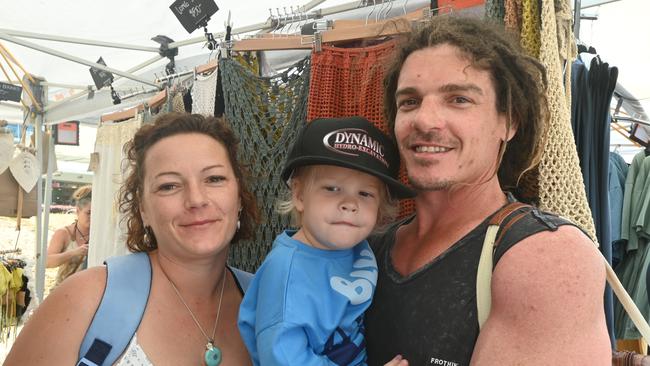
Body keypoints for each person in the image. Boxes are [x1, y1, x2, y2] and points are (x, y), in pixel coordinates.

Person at [364, 16, 612, 365]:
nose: (425, 119)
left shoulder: (545, 257)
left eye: (459, 99)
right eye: (410, 101)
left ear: (509, 121)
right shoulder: (365, 248)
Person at [6, 112, 259, 365]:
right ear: (143, 209)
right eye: (169, 185)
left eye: (215, 179)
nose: (196, 199)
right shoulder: (86, 300)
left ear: (238, 197)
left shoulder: (269, 300)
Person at [238, 116, 415, 365]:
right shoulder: (286, 273)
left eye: (365, 194)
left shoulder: (356, 247)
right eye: (332, 188)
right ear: (299, 194)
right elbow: (284, 359)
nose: (350, 204)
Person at [46, 185, 92, 286]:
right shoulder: (63, 233)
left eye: (95, 213)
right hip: (63, 292)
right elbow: (47, 262)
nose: (92, 217)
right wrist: (74, 253)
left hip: (89, 294)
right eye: (88, 213)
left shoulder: (99, 236)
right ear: (78, 211)